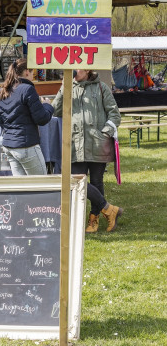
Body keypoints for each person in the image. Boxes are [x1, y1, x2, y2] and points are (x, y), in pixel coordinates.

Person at [52, 69, 123, 233]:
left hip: (97, 142)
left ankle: (94, 219)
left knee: (97, 182)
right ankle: (109, 210)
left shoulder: (101, 87)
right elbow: (56, 110)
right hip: (76, 143)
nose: (75, 71)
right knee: (77, 181)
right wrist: (63, 88)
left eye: (79, 67)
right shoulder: (69, 87)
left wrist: (104, 132)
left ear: (88, 69)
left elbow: (114, 114)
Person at [0, 58, 54, 175]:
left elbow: (1, 122)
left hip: (9, 146)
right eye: (33, 72)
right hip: (27, 145)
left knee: (21, 188)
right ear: (27, 71)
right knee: (41, 186)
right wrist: (47, 105)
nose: (33, 75)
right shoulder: (28, 89)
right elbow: (42, 119)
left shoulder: (0, 92)